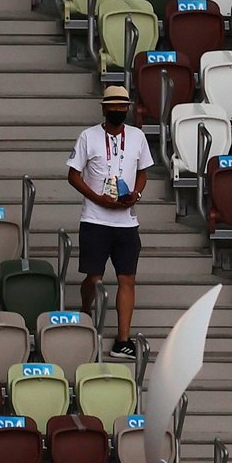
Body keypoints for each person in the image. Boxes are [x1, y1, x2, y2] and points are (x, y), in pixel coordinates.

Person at [67, 85, 152, 360]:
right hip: (94, 219)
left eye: (122, 107)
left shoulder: (138, 137)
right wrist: (97, 198)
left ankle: (123, 340)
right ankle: (85, 309)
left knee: (128, 279)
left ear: (127, 108)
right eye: (113, 107)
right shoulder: (88, 137)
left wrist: (136, 194)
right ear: (103, 108)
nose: (117, 111)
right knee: (93, 276)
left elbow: (142, 172)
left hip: (127, 222)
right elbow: (73, 175)